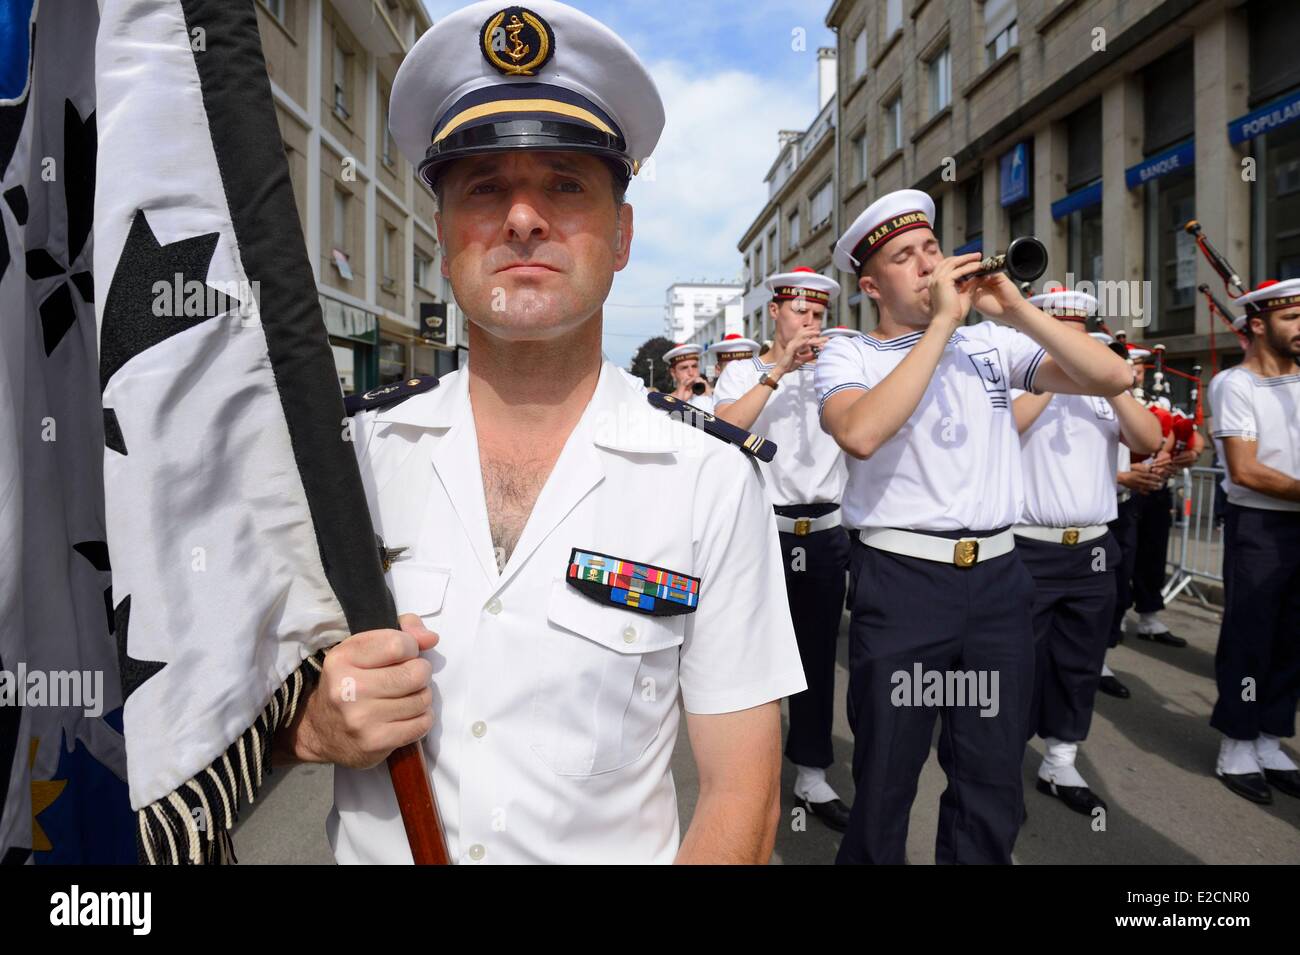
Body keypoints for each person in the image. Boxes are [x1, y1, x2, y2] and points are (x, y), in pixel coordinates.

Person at [272, 0, 807, 864]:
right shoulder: (349, 461)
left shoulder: (707, 477)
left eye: (565, 183)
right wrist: (308, 729)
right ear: (442, 238)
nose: (523, 217)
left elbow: (741, 793)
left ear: (623, 234)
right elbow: (214, 728)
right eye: (485, 187)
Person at [815, 188, 1131, 864]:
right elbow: (861, 432)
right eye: (906, 257)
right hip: (903, 584)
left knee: (990, 780)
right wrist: (939, 327)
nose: (928, 264)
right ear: (871, 284)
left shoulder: (990, 345)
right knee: (887, 780)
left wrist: (1013, 306)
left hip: (997, 581)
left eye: (932, 247)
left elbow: (1113, 375)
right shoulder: (850, 356)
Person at [1010, 295, 1162, 816]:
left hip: (1094, 545)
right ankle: (1002, 762)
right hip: (1028, 545)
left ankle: (1060, 759)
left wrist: (1111, 386)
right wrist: (1057, 375)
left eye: (1080, 329)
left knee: (1079, 661)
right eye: (1063, 329)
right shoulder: (1017, 378)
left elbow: (1149, 436)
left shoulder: (1104, 390)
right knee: (1017, 664)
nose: (1074, 338)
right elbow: (1010, 426)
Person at [714, 268, 850, 831]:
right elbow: (720, 427)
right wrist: (777, 373)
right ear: (775, 313)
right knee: (756, 659)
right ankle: (747, 773)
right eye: (801, 313)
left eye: (818, 314)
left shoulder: (837, 370)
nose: (810, 323)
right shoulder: (743, 371)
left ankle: (812, 775)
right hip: (762, 531)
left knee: (817, 659)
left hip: (822, 533)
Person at [1206, 278, 1300, 804]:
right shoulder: (1234, 384)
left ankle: (1269, 737)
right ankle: (1237, 743)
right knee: (1251, 636)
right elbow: (1244, 470)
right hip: (1261, 528)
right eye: (1292, 318)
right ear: (1258, 325)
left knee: (1292, 637)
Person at [663, 342, 715, 411]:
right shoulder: (665, 401)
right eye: (684, 368)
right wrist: (678, 401)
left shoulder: (710, 395)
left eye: (694, 366)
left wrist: (710, 398)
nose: (691, 373)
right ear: (673, 373)